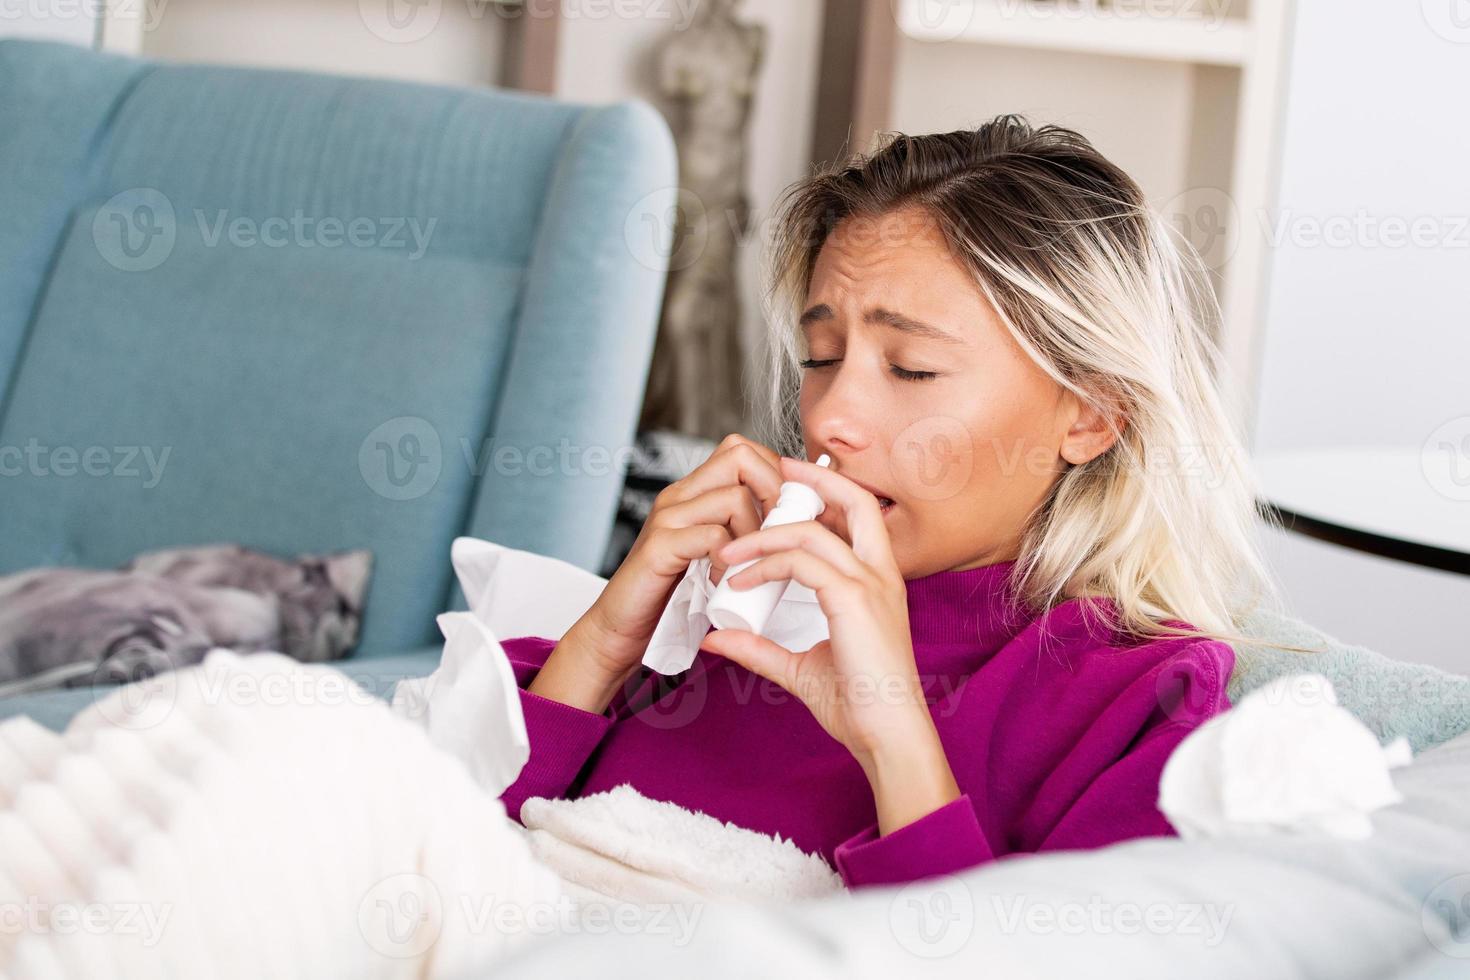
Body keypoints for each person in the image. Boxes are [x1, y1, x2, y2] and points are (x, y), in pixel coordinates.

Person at [498, 115, 1281, 891]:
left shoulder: (1138, 700)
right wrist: (607, 640)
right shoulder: (727, 614)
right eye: (822, 357)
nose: (829, 417)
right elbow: (452, 851)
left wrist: (892, 738)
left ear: (1091, 414)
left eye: (910, 368)